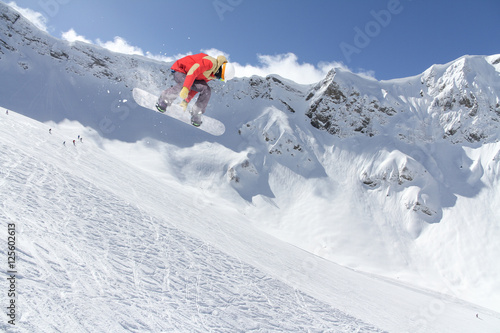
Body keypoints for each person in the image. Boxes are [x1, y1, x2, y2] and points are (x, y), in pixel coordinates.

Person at [156, 53, 235, 127]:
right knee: (184, 82)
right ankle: (165, 98)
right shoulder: (210, 63)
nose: (218, 79)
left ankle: (196, 112)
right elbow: (193, 71)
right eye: (221, 78)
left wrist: (186, 101)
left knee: (206, 89)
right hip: (181, 70)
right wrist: (186, 88)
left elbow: (197, 87)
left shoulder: (212, 75)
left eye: (221, 79)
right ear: (220, 70)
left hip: (192, 77)